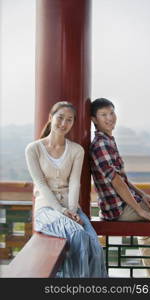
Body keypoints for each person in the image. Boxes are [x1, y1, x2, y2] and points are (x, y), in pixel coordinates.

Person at [90, 97, 150, 277]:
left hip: (117, 206)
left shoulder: (108, 140)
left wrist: (142, 195)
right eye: (103, 115)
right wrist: (138, 209)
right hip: (118, 209)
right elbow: (117, 182)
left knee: (148, 229)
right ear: (94, 119)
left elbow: (122, 178)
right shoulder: (101, 144)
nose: (110, 118)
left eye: (111, 113)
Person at [25, 101, 107, 278]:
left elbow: (75, 183)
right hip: (46, 209)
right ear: (50, 118)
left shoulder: (76, 150)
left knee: (94, 244)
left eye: (69, 120)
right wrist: (62, 211)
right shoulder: (33, 149)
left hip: (71, 208)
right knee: (78, 235)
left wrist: (71, 210)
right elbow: (41, 184)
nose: (64, 123)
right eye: (60, 118)